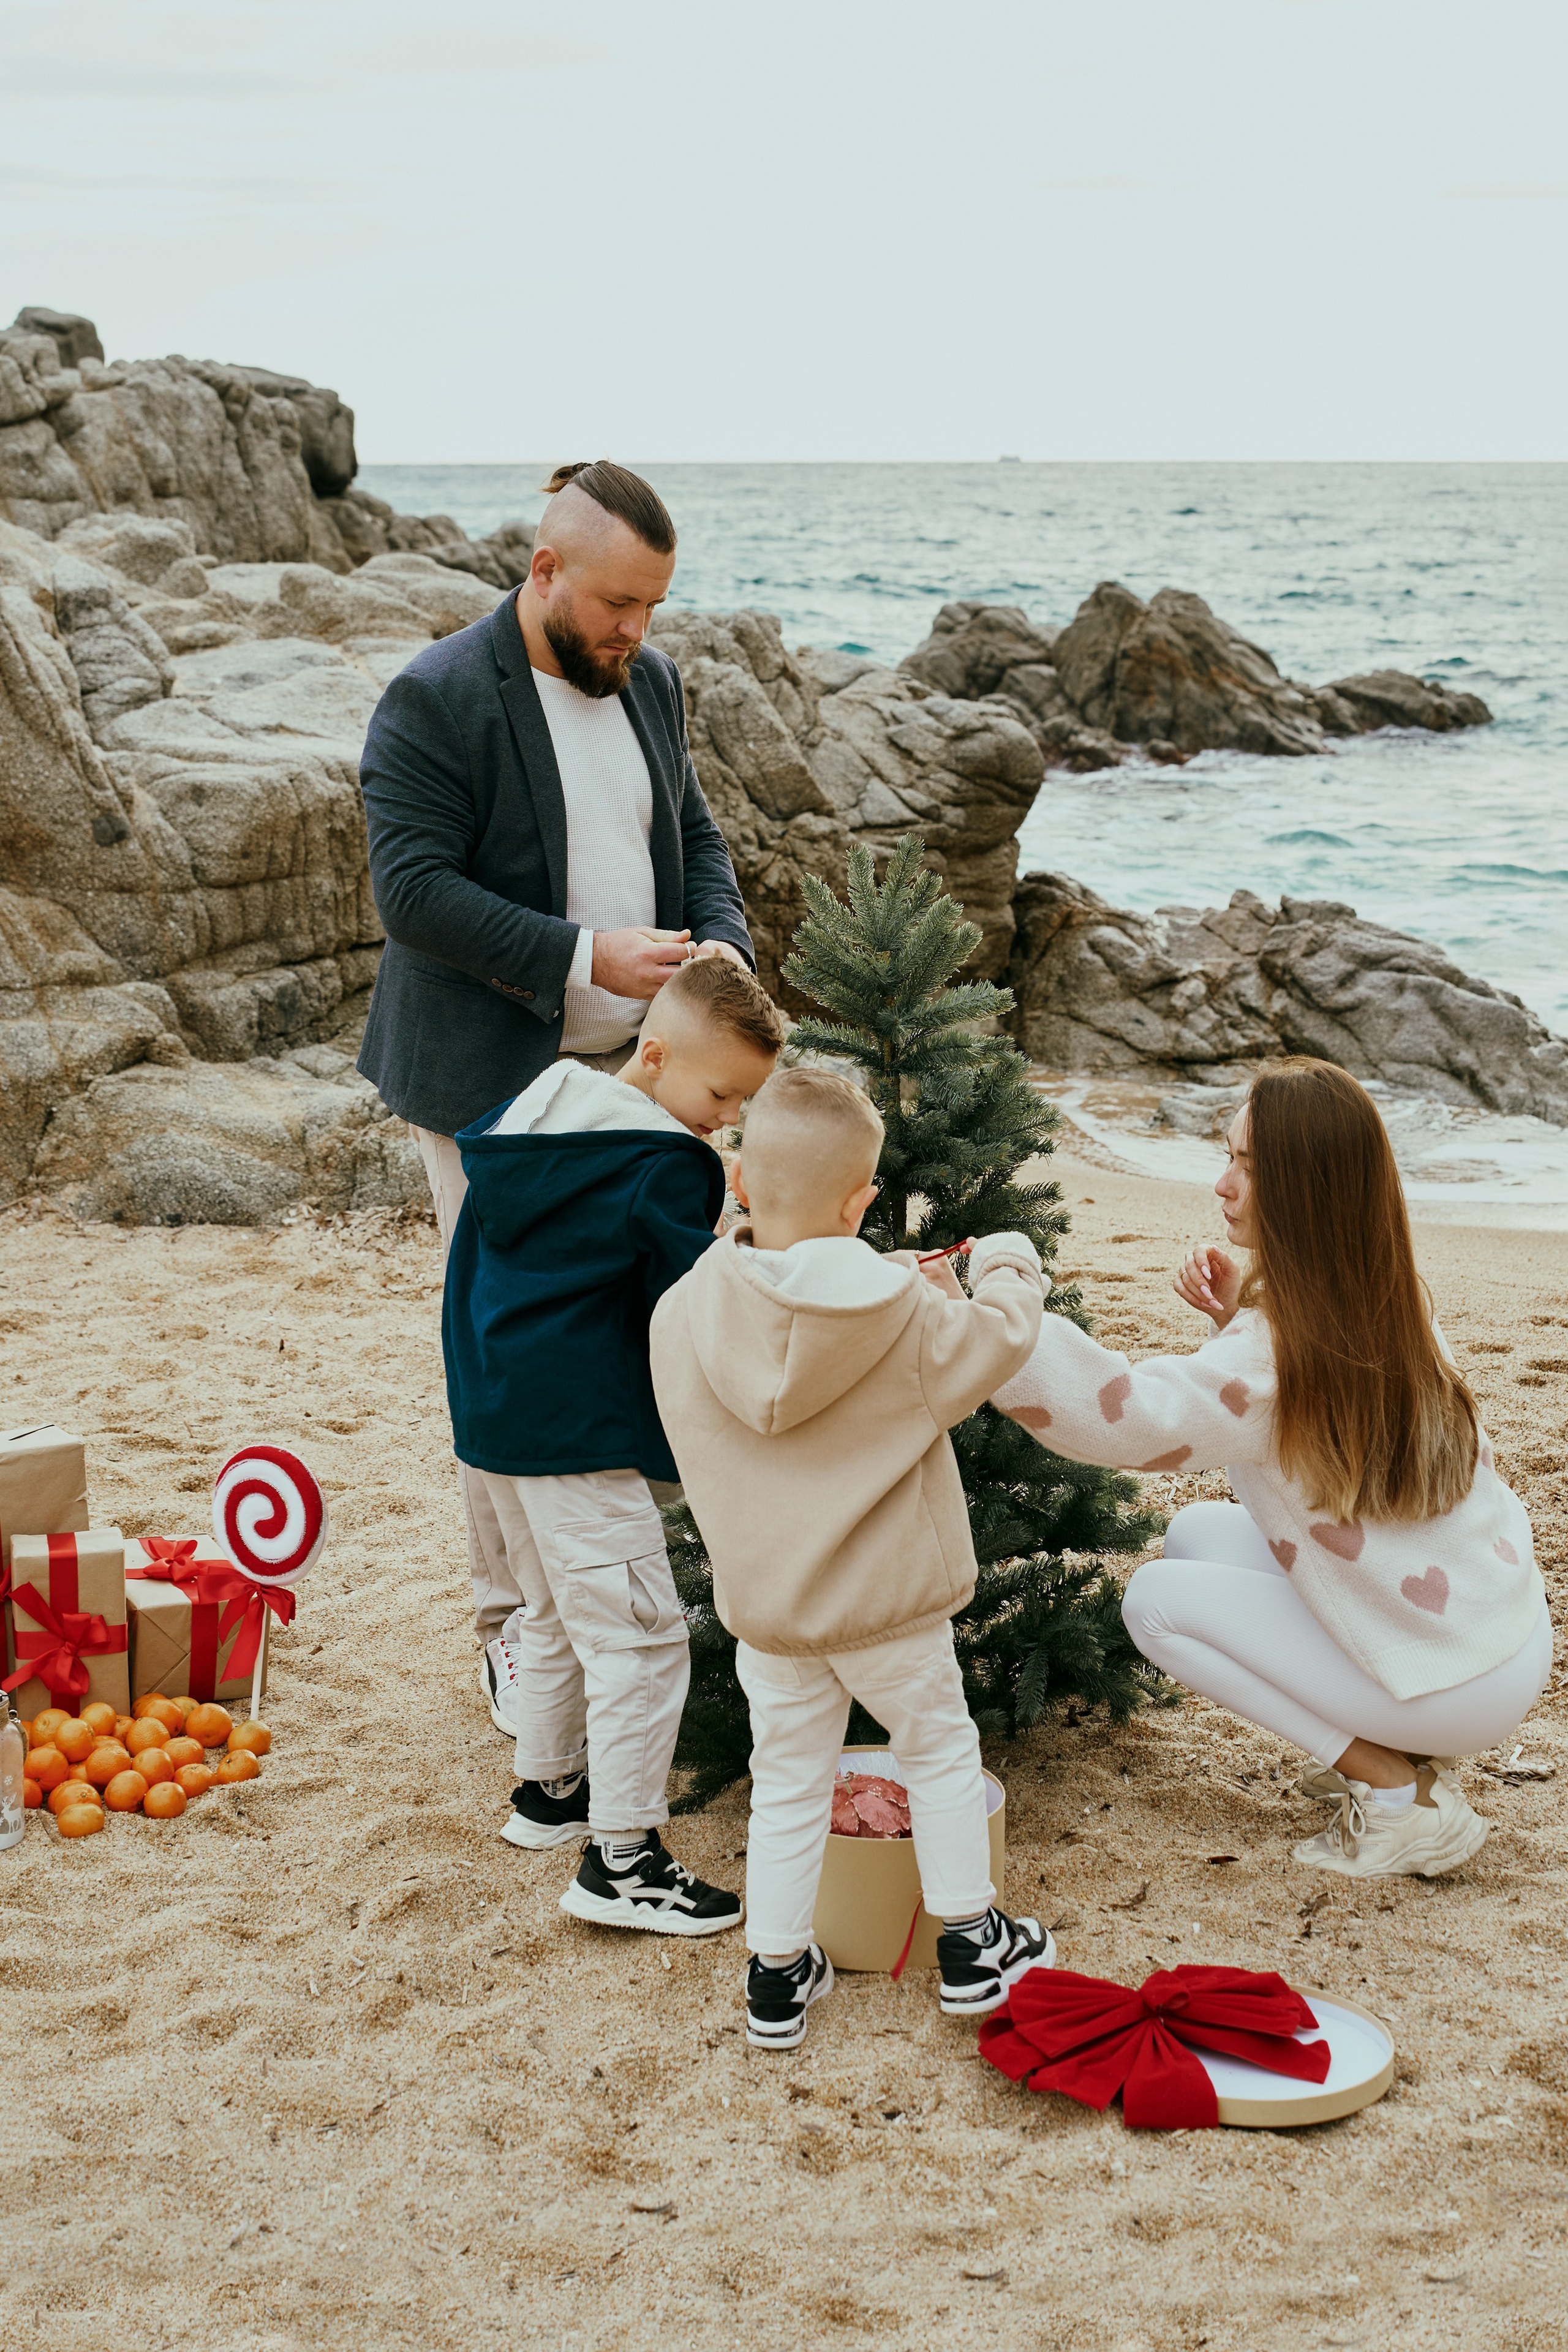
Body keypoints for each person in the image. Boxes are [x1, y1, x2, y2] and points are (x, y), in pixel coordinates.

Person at [356, 459, 755, 1723]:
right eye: (617, 606)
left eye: (653, 607)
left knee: (623, 1340)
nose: (635, 633)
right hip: (490, 1086)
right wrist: (586, 953)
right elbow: (410, 895)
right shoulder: (433, 700)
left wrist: (722, 941)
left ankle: (613, 1606)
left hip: (638, 1076)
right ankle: (514, 1629)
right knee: (506, 1356)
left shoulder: (655, 683)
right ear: (544, 572)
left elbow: (694, 840)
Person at [976, 1058, 1550, 1883]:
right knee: (1195, 1534)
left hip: (1461, 1678)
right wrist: (1231, 1314)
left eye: (1249, 1166)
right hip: (1498, 1628)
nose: (1223, 1184)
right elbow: (1287, 1392)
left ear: (1306, 1189)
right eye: (1229, 1156)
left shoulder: (1274, 1357)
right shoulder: (1387, 1293)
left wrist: (995, 1318)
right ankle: (1403, 1750)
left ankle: (1397, 1795)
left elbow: (1128, 1416)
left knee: (1156, 1605)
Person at [649, 1066, 1056, 2048]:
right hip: (891, 1607)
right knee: (939, 1751)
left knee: (788, 1777)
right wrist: (1001, 1261)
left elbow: (719, 1415)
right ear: (864, 1201)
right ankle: (972, 1944)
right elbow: (997, 1343)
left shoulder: (683, 1313)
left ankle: (777, 1975)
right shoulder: (903, 1316)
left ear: (738, 1177)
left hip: (774, 1610)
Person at [442, 954, 785, 1932]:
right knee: (640, 1638)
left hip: (495, 1413)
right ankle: (624, 1860)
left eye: (745, 1103)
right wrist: (764, 1237)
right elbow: (703, 1299)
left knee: (551, 1609)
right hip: (575, 1428)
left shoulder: (538, 1110)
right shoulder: (661, 1165)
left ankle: (549, 1792)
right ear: (657, 1052)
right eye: (721, 1092)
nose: (725, 1117)